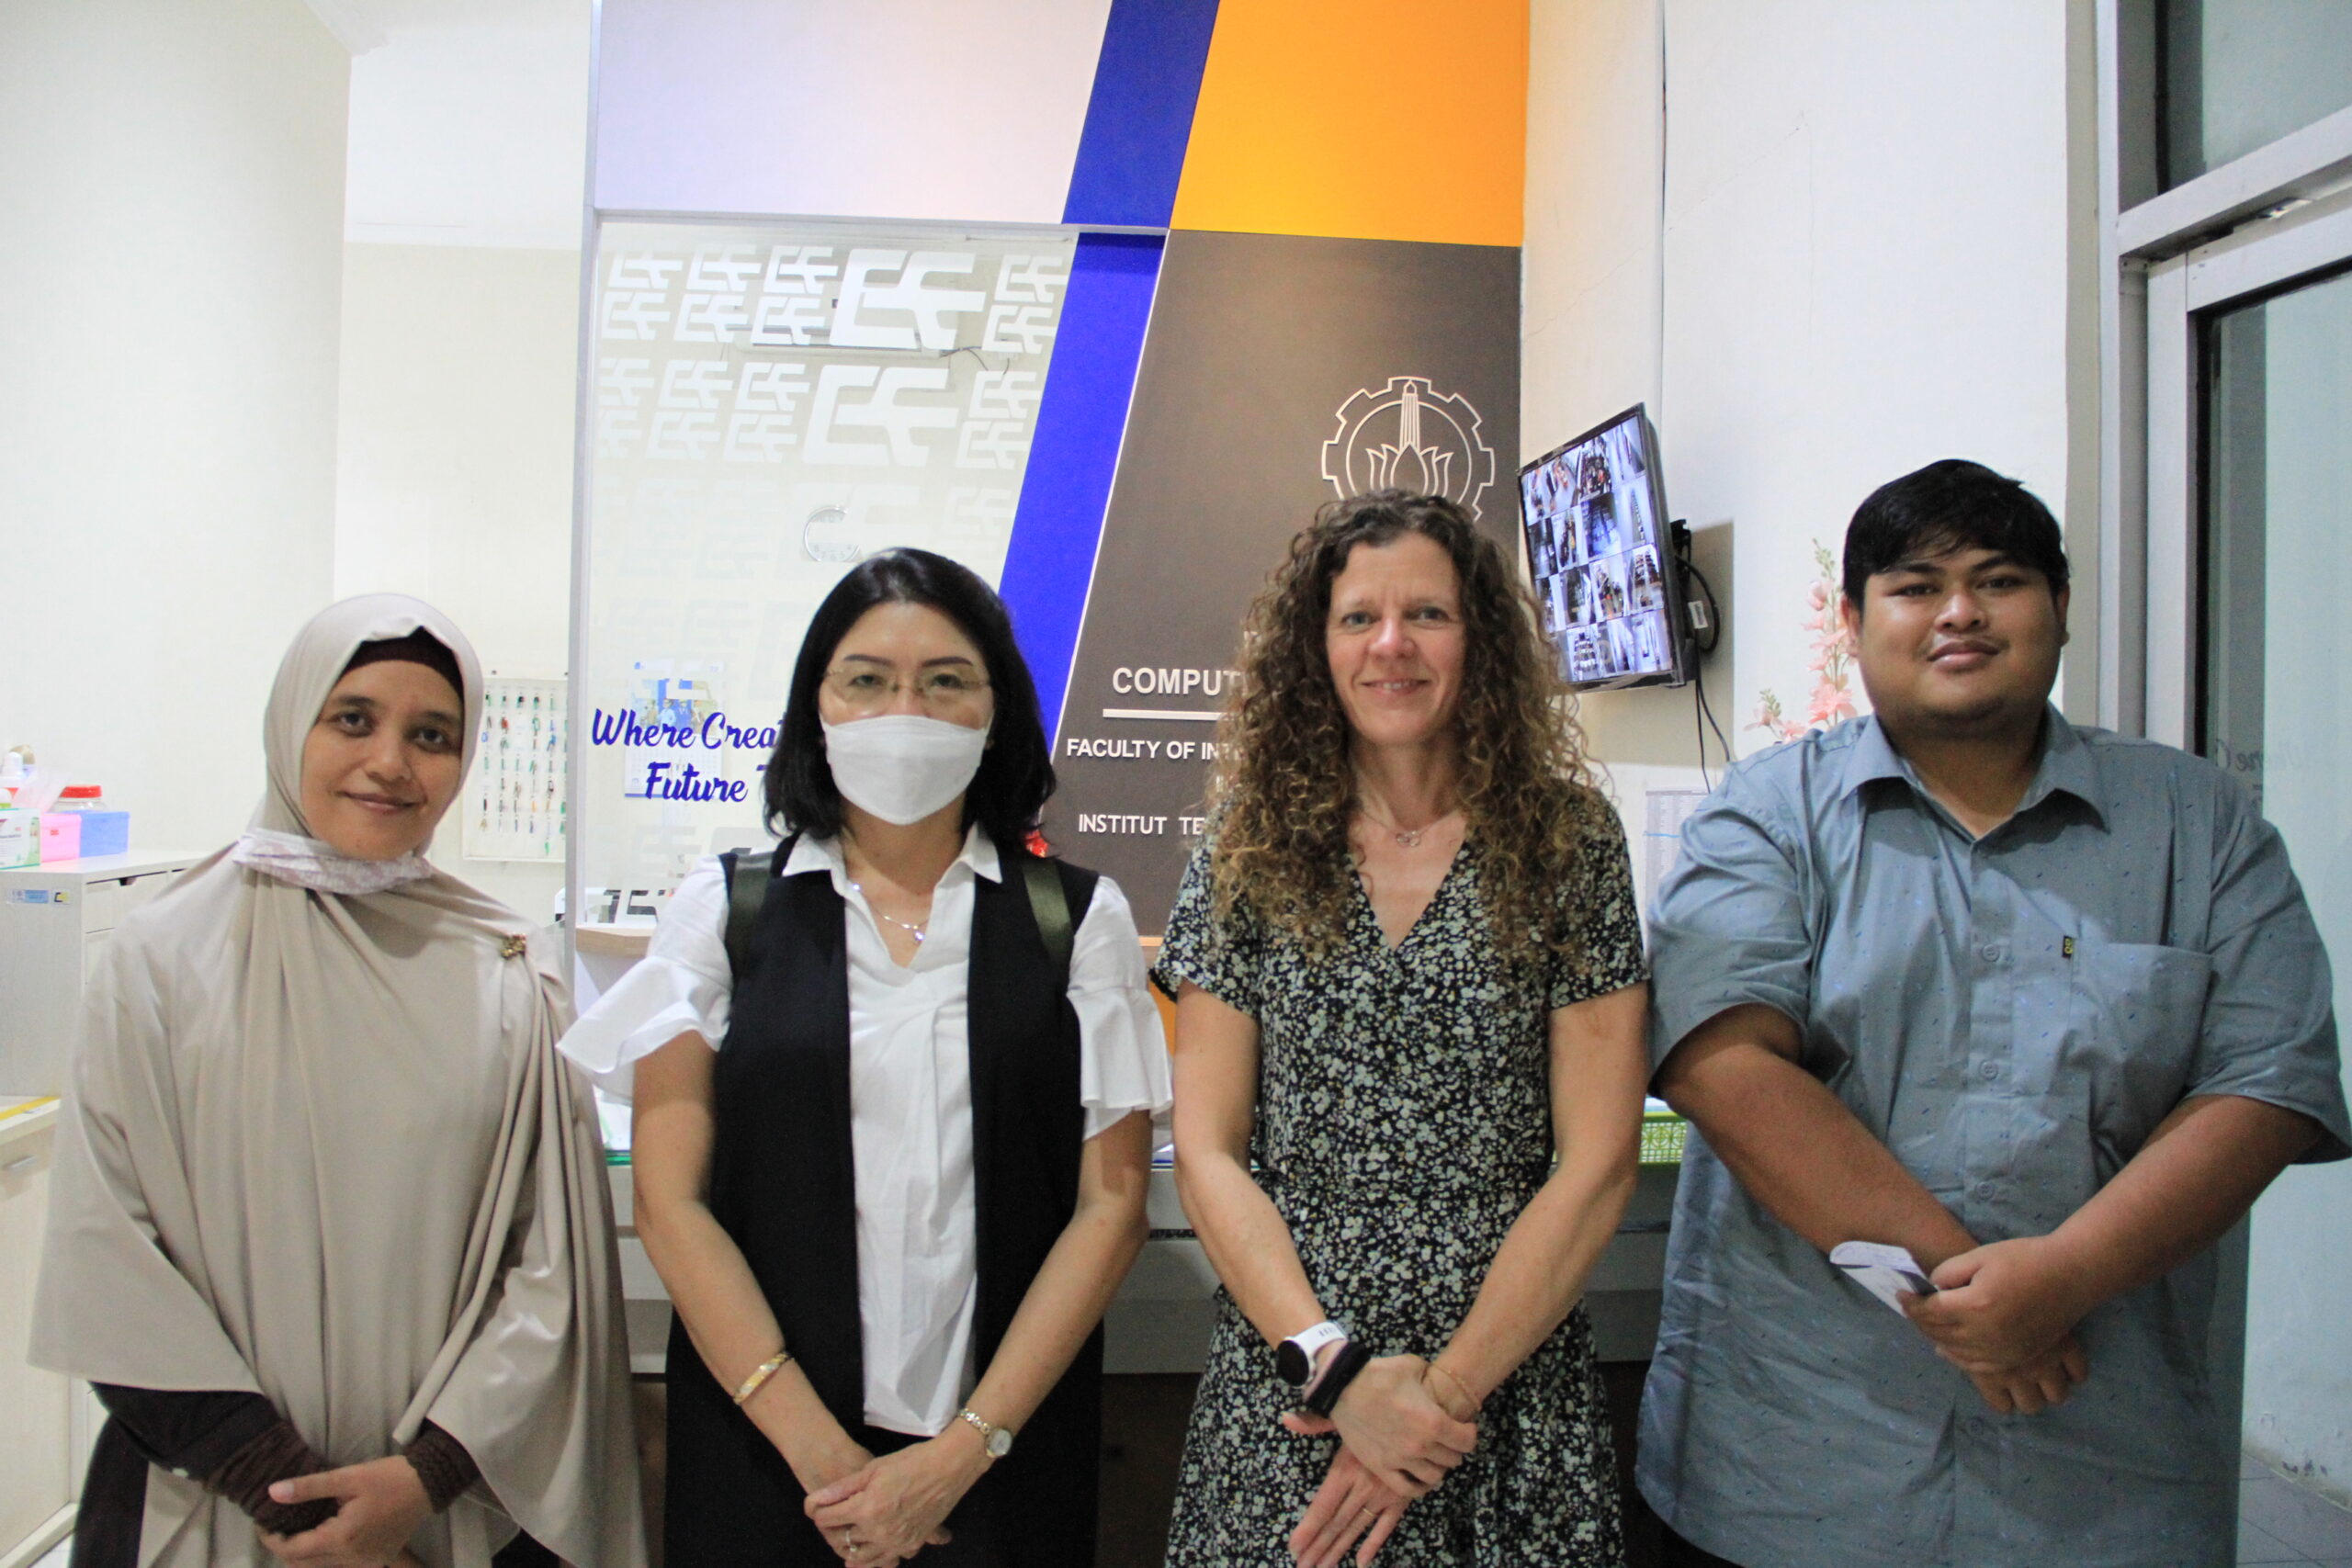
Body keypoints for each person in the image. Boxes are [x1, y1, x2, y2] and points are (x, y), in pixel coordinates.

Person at [1639, 459, 2349, 1568]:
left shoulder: (2198, 822)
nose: (1958, 612)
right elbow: (1721, 1065)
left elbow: (2266, 1083)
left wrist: (2063, 1280)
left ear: (2059, 606)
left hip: (2105, 1472)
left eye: (1999, 580)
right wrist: (1975, 1305)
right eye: (1916, 586)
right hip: (1801, 1460)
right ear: (1852, 621)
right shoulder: (1766, 814)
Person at [559, 548, 1169, 1568]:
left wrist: (958, 1457)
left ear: (996, 711)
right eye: (868, 680)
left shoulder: (1076, 919)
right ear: (818, 706)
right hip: (770, 1463)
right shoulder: (724, 910)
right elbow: (670, 1204)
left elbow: (1109, 1210)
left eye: (945, 680)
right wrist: (824, 1459)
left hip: (1001, 1464)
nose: (905, 712)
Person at [32, 594, 643, 1568]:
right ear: (292, 723)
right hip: (210, 1505)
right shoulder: (161, 958)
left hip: (436, 1512)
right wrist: (293, 1502)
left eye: (432, 735)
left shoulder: (508, 976)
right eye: (353, 718)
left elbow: (551, 1266)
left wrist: (422, 1481)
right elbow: (109, 1257)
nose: (391, 762)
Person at [1157, 491, 1650, 1568]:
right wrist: (1338, 1376)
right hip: (1296, 1383)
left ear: (1481, 640)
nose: (1391, 644)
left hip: (1503, 1385)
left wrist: (1437, 1404)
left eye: (1427, 614)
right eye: (1358, 618)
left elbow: (1600, 1160)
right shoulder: (1248, 844)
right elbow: (1206, 1151)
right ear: (1315, 648)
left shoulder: (1568, 841)